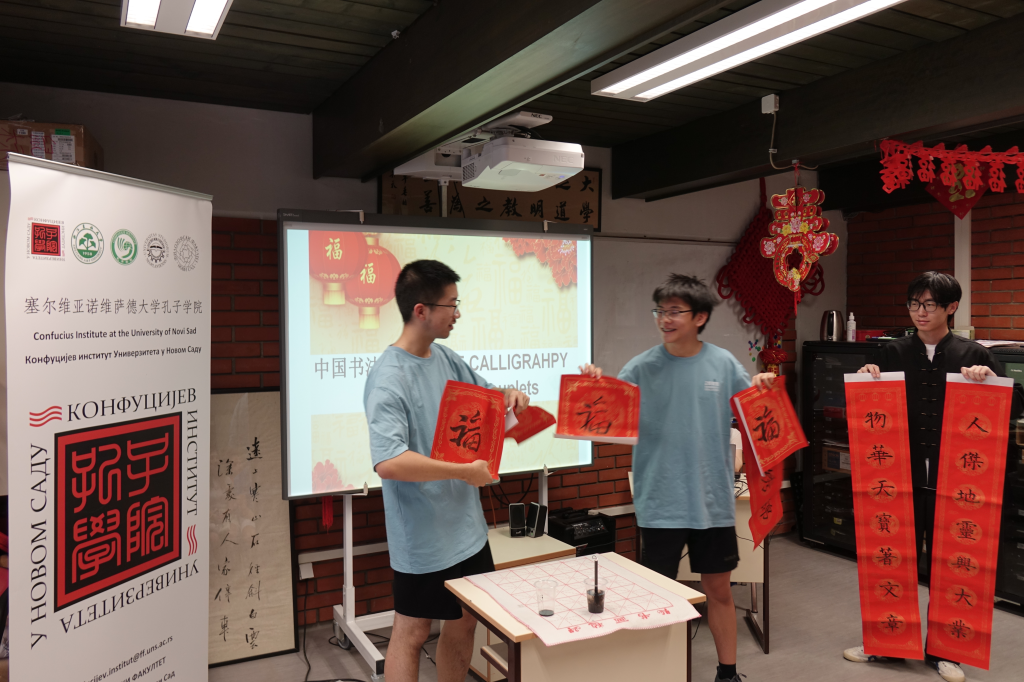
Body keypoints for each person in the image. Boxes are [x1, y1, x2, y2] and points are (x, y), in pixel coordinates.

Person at [581, 273, 774, 682]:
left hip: (713, 503)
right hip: (660, 503)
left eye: (674, 311)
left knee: (718, 591)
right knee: (658, 598)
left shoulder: (723, 364)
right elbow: (607, 416)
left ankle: (728, 673)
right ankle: (659, 674)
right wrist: (594, 388)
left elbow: (755, 413)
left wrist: (762, 387)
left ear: (699, 317)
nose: (664, 319)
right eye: (660, 311)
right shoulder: (641, 366)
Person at [846, 270, 1021, 682]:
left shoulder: (974, 354)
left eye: (929, 304)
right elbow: (863, 404)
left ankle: (947, 651)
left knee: (954, 565)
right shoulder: (891, 352)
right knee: (891, 558)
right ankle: (886, 643)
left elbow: (1013, 407)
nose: (920, 312)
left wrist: (990, 381)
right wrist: (868, 374)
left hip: (957, 482)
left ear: (951, 307)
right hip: (897, 478)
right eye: (914, 304)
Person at [364, 260, 530, 682]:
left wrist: (508, 395)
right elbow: (389, 461)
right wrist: (461, 472)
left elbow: (486, 399)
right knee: (413, 631)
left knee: (466, 619)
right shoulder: (389, 377)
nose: (457, 313)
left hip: (467, 530)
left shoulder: (445, 357)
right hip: (423, 537)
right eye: (451, 304)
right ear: (421, 310)